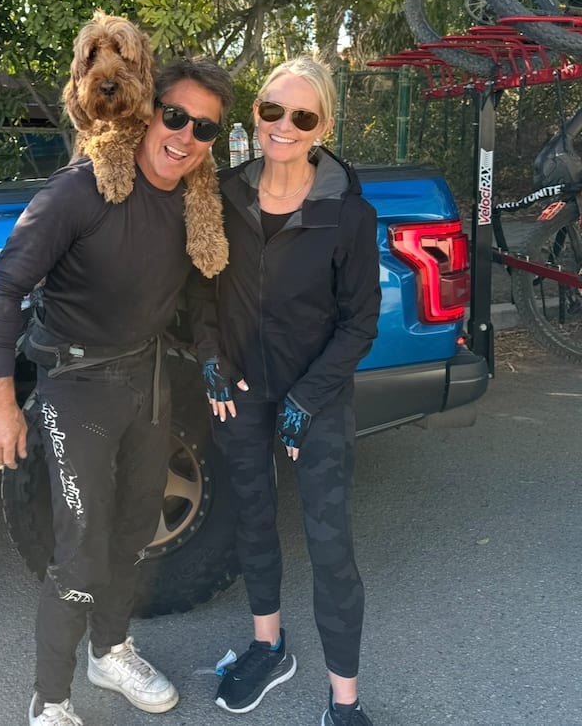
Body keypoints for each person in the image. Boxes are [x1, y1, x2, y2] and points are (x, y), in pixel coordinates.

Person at [0, 57, 232, 726]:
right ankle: (51, 701)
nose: (185, 136)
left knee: (134, 530)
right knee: (82, 549)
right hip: (77, 385)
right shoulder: (80, 191)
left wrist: (213, 361)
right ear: (149, 111)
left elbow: (202, 293)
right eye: (175, 116)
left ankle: (110, 651)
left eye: (204, 128)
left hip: (147, 379)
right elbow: (4, 287)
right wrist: (0, 404)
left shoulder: (195, 202)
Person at [201, 56, 381, 726]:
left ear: (322, 127)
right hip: (242, 386)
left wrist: (307, 398)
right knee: (251, 515)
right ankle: (268, 646)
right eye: (273, 109)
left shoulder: (348, 214)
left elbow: (360, 321)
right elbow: (201, 290)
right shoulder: (221, 195)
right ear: (256, 112)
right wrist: (210, 358)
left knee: (330, 543)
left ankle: (345, 703)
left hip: (317, 391)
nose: (284, 125)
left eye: (302, 116)